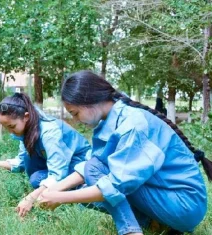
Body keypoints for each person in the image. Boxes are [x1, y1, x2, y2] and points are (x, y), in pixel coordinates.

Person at [38, 71, 212, 235]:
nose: (75, 120)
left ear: (90, 101)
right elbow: (90, 166)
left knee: (96, 183)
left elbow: (111, 181)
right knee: (87, 193)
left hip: (184, 204)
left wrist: (61, 198)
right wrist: (53, 190)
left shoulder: (133, 123)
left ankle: (131, 230)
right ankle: (157, 223)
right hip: (170, 198)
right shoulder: (112, 120)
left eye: (75, 113)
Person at [0, 93, 91, 218]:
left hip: (80, 167)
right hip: (63, 167)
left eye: (12, 126)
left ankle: (77, 194)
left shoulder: (50, 133)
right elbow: (21, 163)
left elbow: (58, 173)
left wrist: (31, 197)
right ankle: (54, 193)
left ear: (26, 117)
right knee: (36, 176)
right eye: (6, 127)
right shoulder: (28, 129)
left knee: (39, 180)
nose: (10, 132)